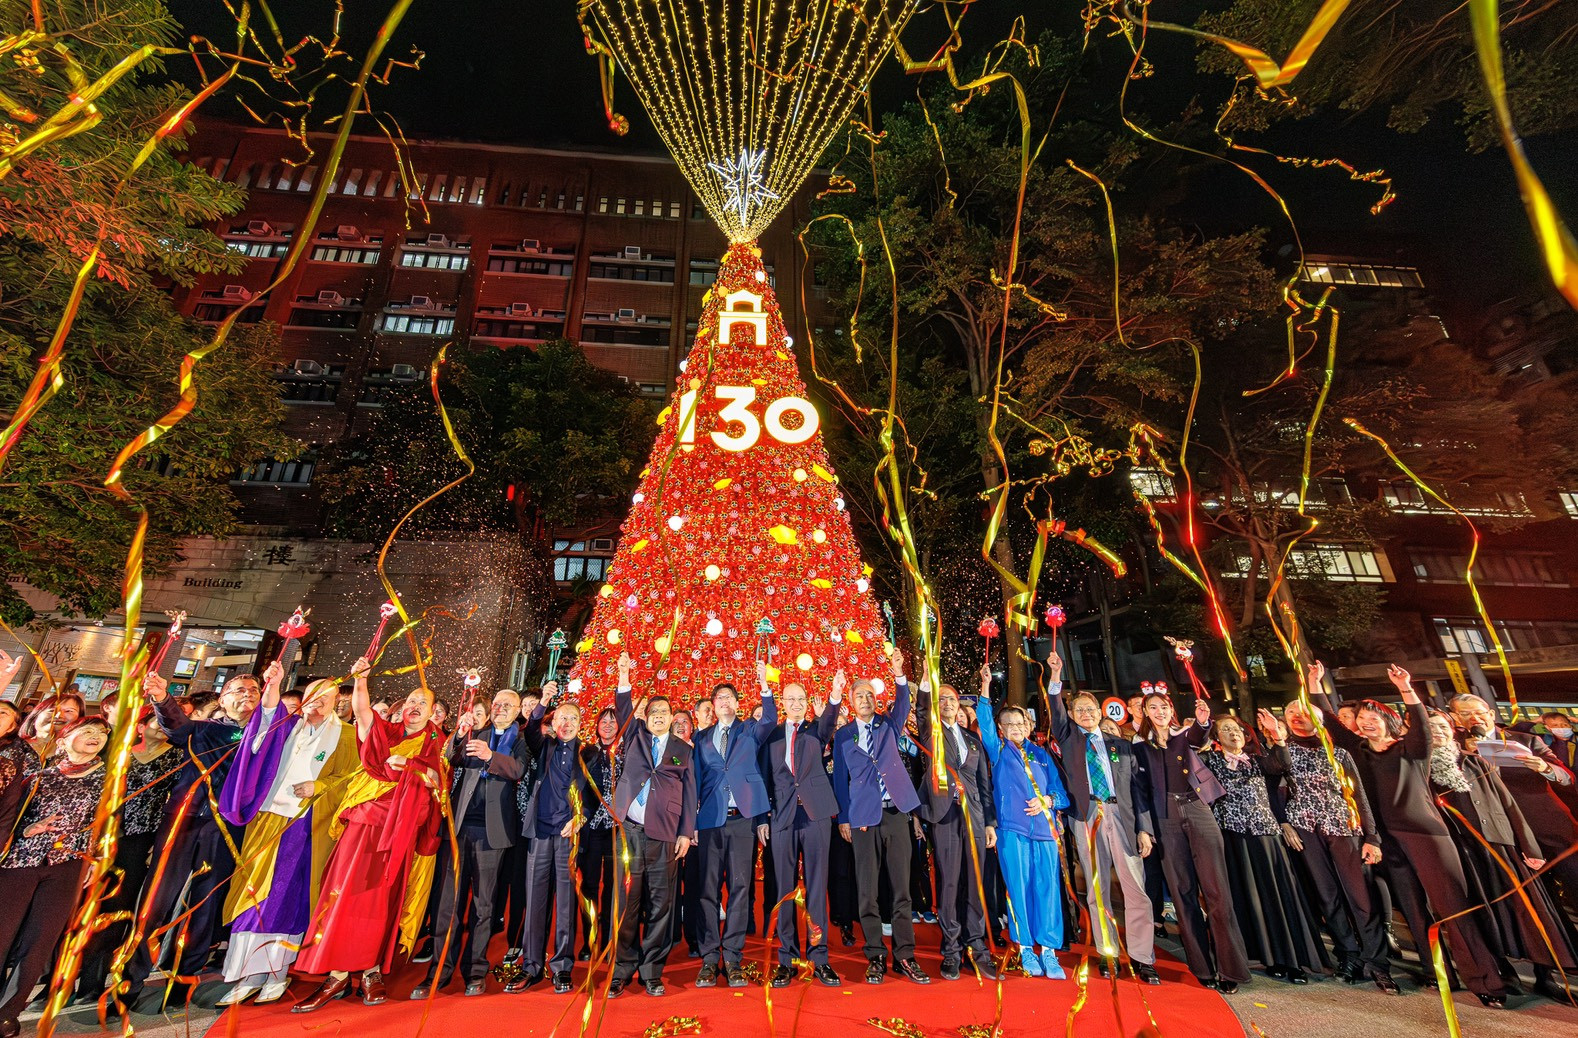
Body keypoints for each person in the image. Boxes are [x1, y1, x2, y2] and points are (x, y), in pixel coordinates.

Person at [1327, 665, 1509, 1008]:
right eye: (1362, 718)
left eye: (1373, 717)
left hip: (1427, 835)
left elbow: (1422, 727)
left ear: (1389, 721)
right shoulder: (1358, 752)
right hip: (1389, 842)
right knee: (1413, 910)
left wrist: (1406, 689)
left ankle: (1487, 980)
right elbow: (1330, 723)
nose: (1366, 722)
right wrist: (1313, 684)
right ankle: (1436, 972)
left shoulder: (1410, 748)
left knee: (1453, 907)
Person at [291, 659, 446, 1012]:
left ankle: (371, 971)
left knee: (380, 903)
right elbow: (362, 714)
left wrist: (412, 767)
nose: (414, 707)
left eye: (422, 703)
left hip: (399, 832)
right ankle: (336, 974)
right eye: (411, 700)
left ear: (432, 713)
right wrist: (361, 680)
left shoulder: (433, 745)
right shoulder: (386, 733)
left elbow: (438, 784)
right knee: (344, 895)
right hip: (362, 826)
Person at [216, 666, 360, 1006]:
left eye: (326, 698)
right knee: (251, 896)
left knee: (283, 898)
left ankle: (276, 973)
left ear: (338, 703)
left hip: (304, 825)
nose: (318, 702)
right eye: (312, 695)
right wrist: (274, 683)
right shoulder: (286, 725)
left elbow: (351, 779)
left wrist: (319, 785)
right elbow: (264, 716)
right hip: (266, 818)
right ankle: (246, 975)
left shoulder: (346, 735)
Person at [118, 671, 261, 1010]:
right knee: (155, 901)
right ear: (222, 699)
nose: (247, 694)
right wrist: (161, 697)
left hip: (227, 827)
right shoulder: (203, 729)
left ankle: (184, 979)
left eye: (254, 690)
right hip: (183, 821)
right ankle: (130, 981)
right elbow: (175, 725)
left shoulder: (267, 734)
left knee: (205, 904)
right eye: (238, 689)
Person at [1425, 710, 1576, 1001]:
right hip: (1464, 851)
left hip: (1501, 843)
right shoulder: (1419, 767)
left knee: (1529, 911)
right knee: (1486, 914)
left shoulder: (1474, 760)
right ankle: (1504, 974)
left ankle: (1545, 975)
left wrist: (1528, 846)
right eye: (1430, 728)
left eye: (1442, 727)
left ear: (1452, 730)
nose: (1438, 733)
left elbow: (1508, 805)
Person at [1258, 690, 1397, 995]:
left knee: (1361, 897)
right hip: (1306, 830)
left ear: (1319, 721)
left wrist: (1372, 837)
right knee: (1327, 896)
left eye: (1305, 712)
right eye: (1291, 712)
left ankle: (1376, 962)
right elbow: (1270, 780)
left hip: (1344, 827)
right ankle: (1348, 954)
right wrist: (1283, 821)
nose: (1297, 716)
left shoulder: (1339, 753)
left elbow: (1359, 796)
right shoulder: (1283, 751)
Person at [1043, 653, 1160, 984]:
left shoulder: (1120, 746)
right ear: (1072, 715)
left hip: (1122, 816)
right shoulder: (1070, 738)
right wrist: (1056, 675)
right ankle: (1108, 953)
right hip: (1088, 815)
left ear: (1100, 712)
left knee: (1135, 888)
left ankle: (1142, 957)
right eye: (1079, 710)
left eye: (1090, 709)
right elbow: (1055, 707)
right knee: (1097, 889)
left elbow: (1137, 791)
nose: (1085, 714)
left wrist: (1144, 830)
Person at [1133, 691, 1251, 992]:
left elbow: (1198, 737)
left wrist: (1202, 721)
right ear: (1145, 712)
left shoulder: (1183, 735)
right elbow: (1140, 791)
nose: (1159, 711)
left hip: (1197, 809)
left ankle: (1230, 969)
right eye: (1152, 707)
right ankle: (1202, 966)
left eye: (1163, 706)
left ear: (1171, 709)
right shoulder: (1140, 747)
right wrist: (1144, 829)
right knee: (1183, 892)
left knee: (1217, 892)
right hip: (1166, 819)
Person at [0, 717, 110, 1038]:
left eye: (101, 733)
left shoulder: (110, 780)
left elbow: (108, 825)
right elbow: (11, 819)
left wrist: (97, 859)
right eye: (86, 731)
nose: (95, 736)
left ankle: (8, 1012)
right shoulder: (36, 777)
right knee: (2, 936)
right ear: (63, 741)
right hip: (21, 861)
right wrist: (28, 829)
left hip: (69, 866)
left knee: (39, 942)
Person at [419, 687, 530, 998]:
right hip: (459, 828)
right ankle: (439, 970)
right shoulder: (476, 732)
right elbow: (452, 757)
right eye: (497, 703)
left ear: (517, 711)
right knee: (448, 904)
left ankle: (476, 971)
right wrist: (459, 734)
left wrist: (491, 756)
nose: (501, 708)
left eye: (508, 705)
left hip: (493, 834)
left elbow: (518, 769)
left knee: (484, 905)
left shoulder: (520, 741)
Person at [1198, 714, 1323, 984]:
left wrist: (1277, 737)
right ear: (1217, 737)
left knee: (1275, 897)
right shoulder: (1211, 761)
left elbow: (1282, 764)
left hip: (1266, 835)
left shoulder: (1258, 760)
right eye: (1226, 730)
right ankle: (1256, 957)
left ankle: (1288, 960)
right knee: (1244, 898)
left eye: (1237, 729)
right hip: (1232, 837)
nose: (1233, 733)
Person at [832, 650, 930, 985]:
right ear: (851, 702)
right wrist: (843, 817)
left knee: (902, 888)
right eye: (859, 695)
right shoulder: (844, 735)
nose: (865, 699)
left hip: (895, 813)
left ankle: (905, 955)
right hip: (862, 817)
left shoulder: (888, 723)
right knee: (867, 889)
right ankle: (875, 954)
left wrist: (899, 672)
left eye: (870, 695)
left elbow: (904, 702)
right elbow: (840, 779)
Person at [71, 706, 179, 1005]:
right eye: (158, 721)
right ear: (141, 726)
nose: (164, 726)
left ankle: (93, 983)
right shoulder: (120, 754)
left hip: (140, 842)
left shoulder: (176, 758)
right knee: (85, 908)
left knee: (116, 911)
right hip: (105, 838)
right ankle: (64, 978)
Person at [975, 664, 1070, 980]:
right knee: (1018, 888)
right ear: (1001, 729)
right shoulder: (998, 750)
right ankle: (1026, 948)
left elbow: (1061, 794)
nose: (1015, 727)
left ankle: (1050, 951)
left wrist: (1047, 802)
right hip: (1011, 832)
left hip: (1044, 832)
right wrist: (985, 688)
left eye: (1020, 723)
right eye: (1009, 723)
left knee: (1048, 890)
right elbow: (984, 722)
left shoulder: (1042, 754)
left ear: (1029, 725)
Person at [610, 652, 697, 997]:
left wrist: (685, 833)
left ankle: (651, 971)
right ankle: (621, 968)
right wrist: (624, 676)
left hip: (665, 836)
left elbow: (689, 793)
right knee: (626, 903)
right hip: (630, 831)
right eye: (654, 712)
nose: (659, 716)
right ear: (645, 717)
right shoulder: (635, 736)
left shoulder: (683, 749)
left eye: (664, 712)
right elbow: (623, 708)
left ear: (672, 718)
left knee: (662, 904)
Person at [914, 665, 1000, 982]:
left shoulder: (972, 739)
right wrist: (926, 680)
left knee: (975, 882)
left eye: (952, 699)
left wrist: (989, 822)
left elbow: (984, 784)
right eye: (942, 699)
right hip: (945, 815)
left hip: (974, 816)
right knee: (949, 882)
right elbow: (922, 711)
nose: (948, 703)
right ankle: (951, 950)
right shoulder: (932, 733)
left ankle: (977, 946)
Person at [692, 668, 776, 988]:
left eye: (729, 697)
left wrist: (765, 685)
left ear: (738, 704)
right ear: (713, 705)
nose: (724, 701)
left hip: (742, 819)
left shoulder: (750, 730)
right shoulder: (701, 739)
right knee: (708, 890)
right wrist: (692, 824)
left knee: (741, 887)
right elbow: (695, 783)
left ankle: (732, 956)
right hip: (710, 821)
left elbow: (770, 718)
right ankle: (709, 956)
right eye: (719, 698)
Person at [760, 668, 844, 987]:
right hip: (782, 816)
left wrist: (835, 694)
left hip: (815, 814)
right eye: (790, 699)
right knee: (784, 888)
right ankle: (787, 959)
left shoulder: (815, 730)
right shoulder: (770, 735)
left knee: (816, 885)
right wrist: (762, 818)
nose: (796, 704)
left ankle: (819, 957)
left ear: (808, 703)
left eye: (801, 699)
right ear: (782, 703)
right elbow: (763, 778)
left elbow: (830, 721)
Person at [506, 684, 588, 995]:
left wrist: (580, 817)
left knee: (566, 902)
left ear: (580, 724)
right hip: (540, 833)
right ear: (553, 723)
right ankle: (531, 965)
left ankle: (562, 966)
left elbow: (593, 796)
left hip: (568, 836)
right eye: (561, 718)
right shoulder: (545, 746)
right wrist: (543, 702)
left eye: (573, 719)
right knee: (535, 899)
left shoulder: (588, 754)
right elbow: (530, 731)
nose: (567, 723)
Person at [578, 707, 622, 961]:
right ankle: (590, 940)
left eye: (612, 722)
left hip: (616, 831)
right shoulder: (587, 753)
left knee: (613, 888)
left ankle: (608, 941)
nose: (607, 725)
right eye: (603, 721)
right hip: (592, 830)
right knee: (590, 886)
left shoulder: (625, 753)